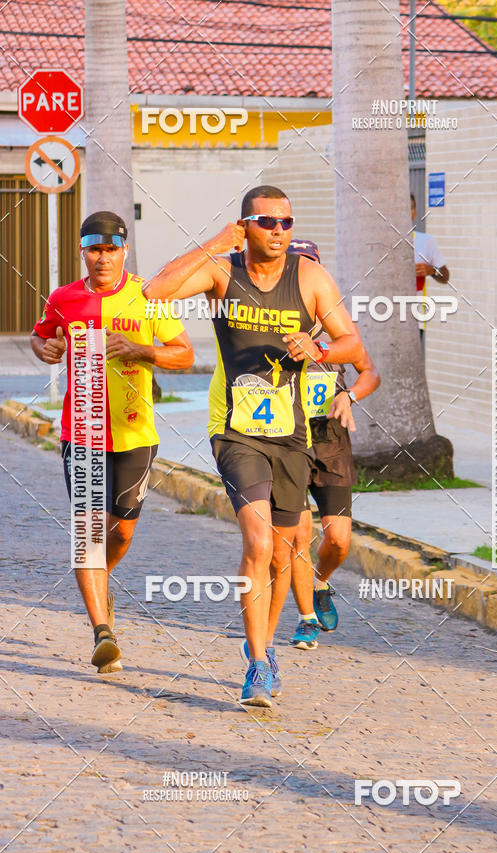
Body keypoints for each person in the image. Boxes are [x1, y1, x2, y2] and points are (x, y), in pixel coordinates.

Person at [143, 186, 362, 707]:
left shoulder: (309, 277)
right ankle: (258, 664)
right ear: (246, 225)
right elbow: (156, 291)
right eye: (268, 222)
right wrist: (216, 241)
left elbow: (354, 345)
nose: (280, 232)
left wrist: (321, 347)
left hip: (292, 435)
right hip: (236, 431)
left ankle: (264, 644)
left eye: (287, 222)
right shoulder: (222, 272)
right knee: (258, 546)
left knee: (285, 557)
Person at [31, 211, 193, 673]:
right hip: (80, 430)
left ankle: (102, 582)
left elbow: (185, 354)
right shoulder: (64, 298)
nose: (102, 258)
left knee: (120, 531)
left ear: (124, 250)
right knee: (88, 533)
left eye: (111, 249)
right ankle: (103, 632)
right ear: (82, 251)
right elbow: (41, 336)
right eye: (93, 249)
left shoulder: (147, 297)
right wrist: (43, 348)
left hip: (134, 431)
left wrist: (141, 350)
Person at [286, 239, 381, 649]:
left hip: (330, 436)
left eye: (311, 266)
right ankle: (306, 618)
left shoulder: (336, 325)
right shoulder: (270, 323)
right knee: (298, 531)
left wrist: (350, 395)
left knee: (339, 538)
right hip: (285, 436)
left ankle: (320, 581)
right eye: (297, 266)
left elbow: (369, 372)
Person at [410, 193, 450, 350]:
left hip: (416, 317)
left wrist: (431, 270)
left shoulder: (425, 241)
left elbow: (445, 275)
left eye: (411, 208)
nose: (408, 212)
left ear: (415, 212)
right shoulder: (382, 242)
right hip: (383, 315)